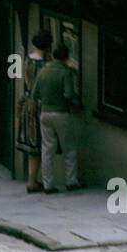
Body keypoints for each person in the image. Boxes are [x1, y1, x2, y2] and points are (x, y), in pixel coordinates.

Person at [32, 44, 83, 194]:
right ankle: (71, 181)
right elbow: (68, 94)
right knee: (69, 148)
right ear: (66, 58)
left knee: (47, 149)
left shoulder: (43, 71)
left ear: (54, 56)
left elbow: (35, 94)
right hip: (61, 113)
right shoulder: (65, 72)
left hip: (45, 113)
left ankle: (48, 184)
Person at [16, 30, 53, 192]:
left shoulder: (27, 60)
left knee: (33, 146)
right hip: (40, 105)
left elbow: (27, 80)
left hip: (28, 103)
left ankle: (32, 180)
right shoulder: (47, 64)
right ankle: (38, 181)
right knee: (42, 144)